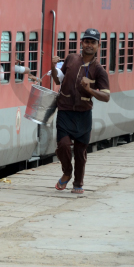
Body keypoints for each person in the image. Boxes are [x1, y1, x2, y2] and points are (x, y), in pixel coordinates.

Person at [52, 28, 110, 195]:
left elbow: (106, 97)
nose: (89, 45)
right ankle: (67, 172)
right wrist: (53, 66)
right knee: (63, 145)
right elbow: (58, 80)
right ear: (81, 43)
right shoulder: (71, 58)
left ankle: (78, 182)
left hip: (84, 114)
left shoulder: (99, 70)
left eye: (93, 42)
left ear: (98, 45)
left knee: (80, 151)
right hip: (65, 110)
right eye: (86, 41)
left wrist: (89, 90)